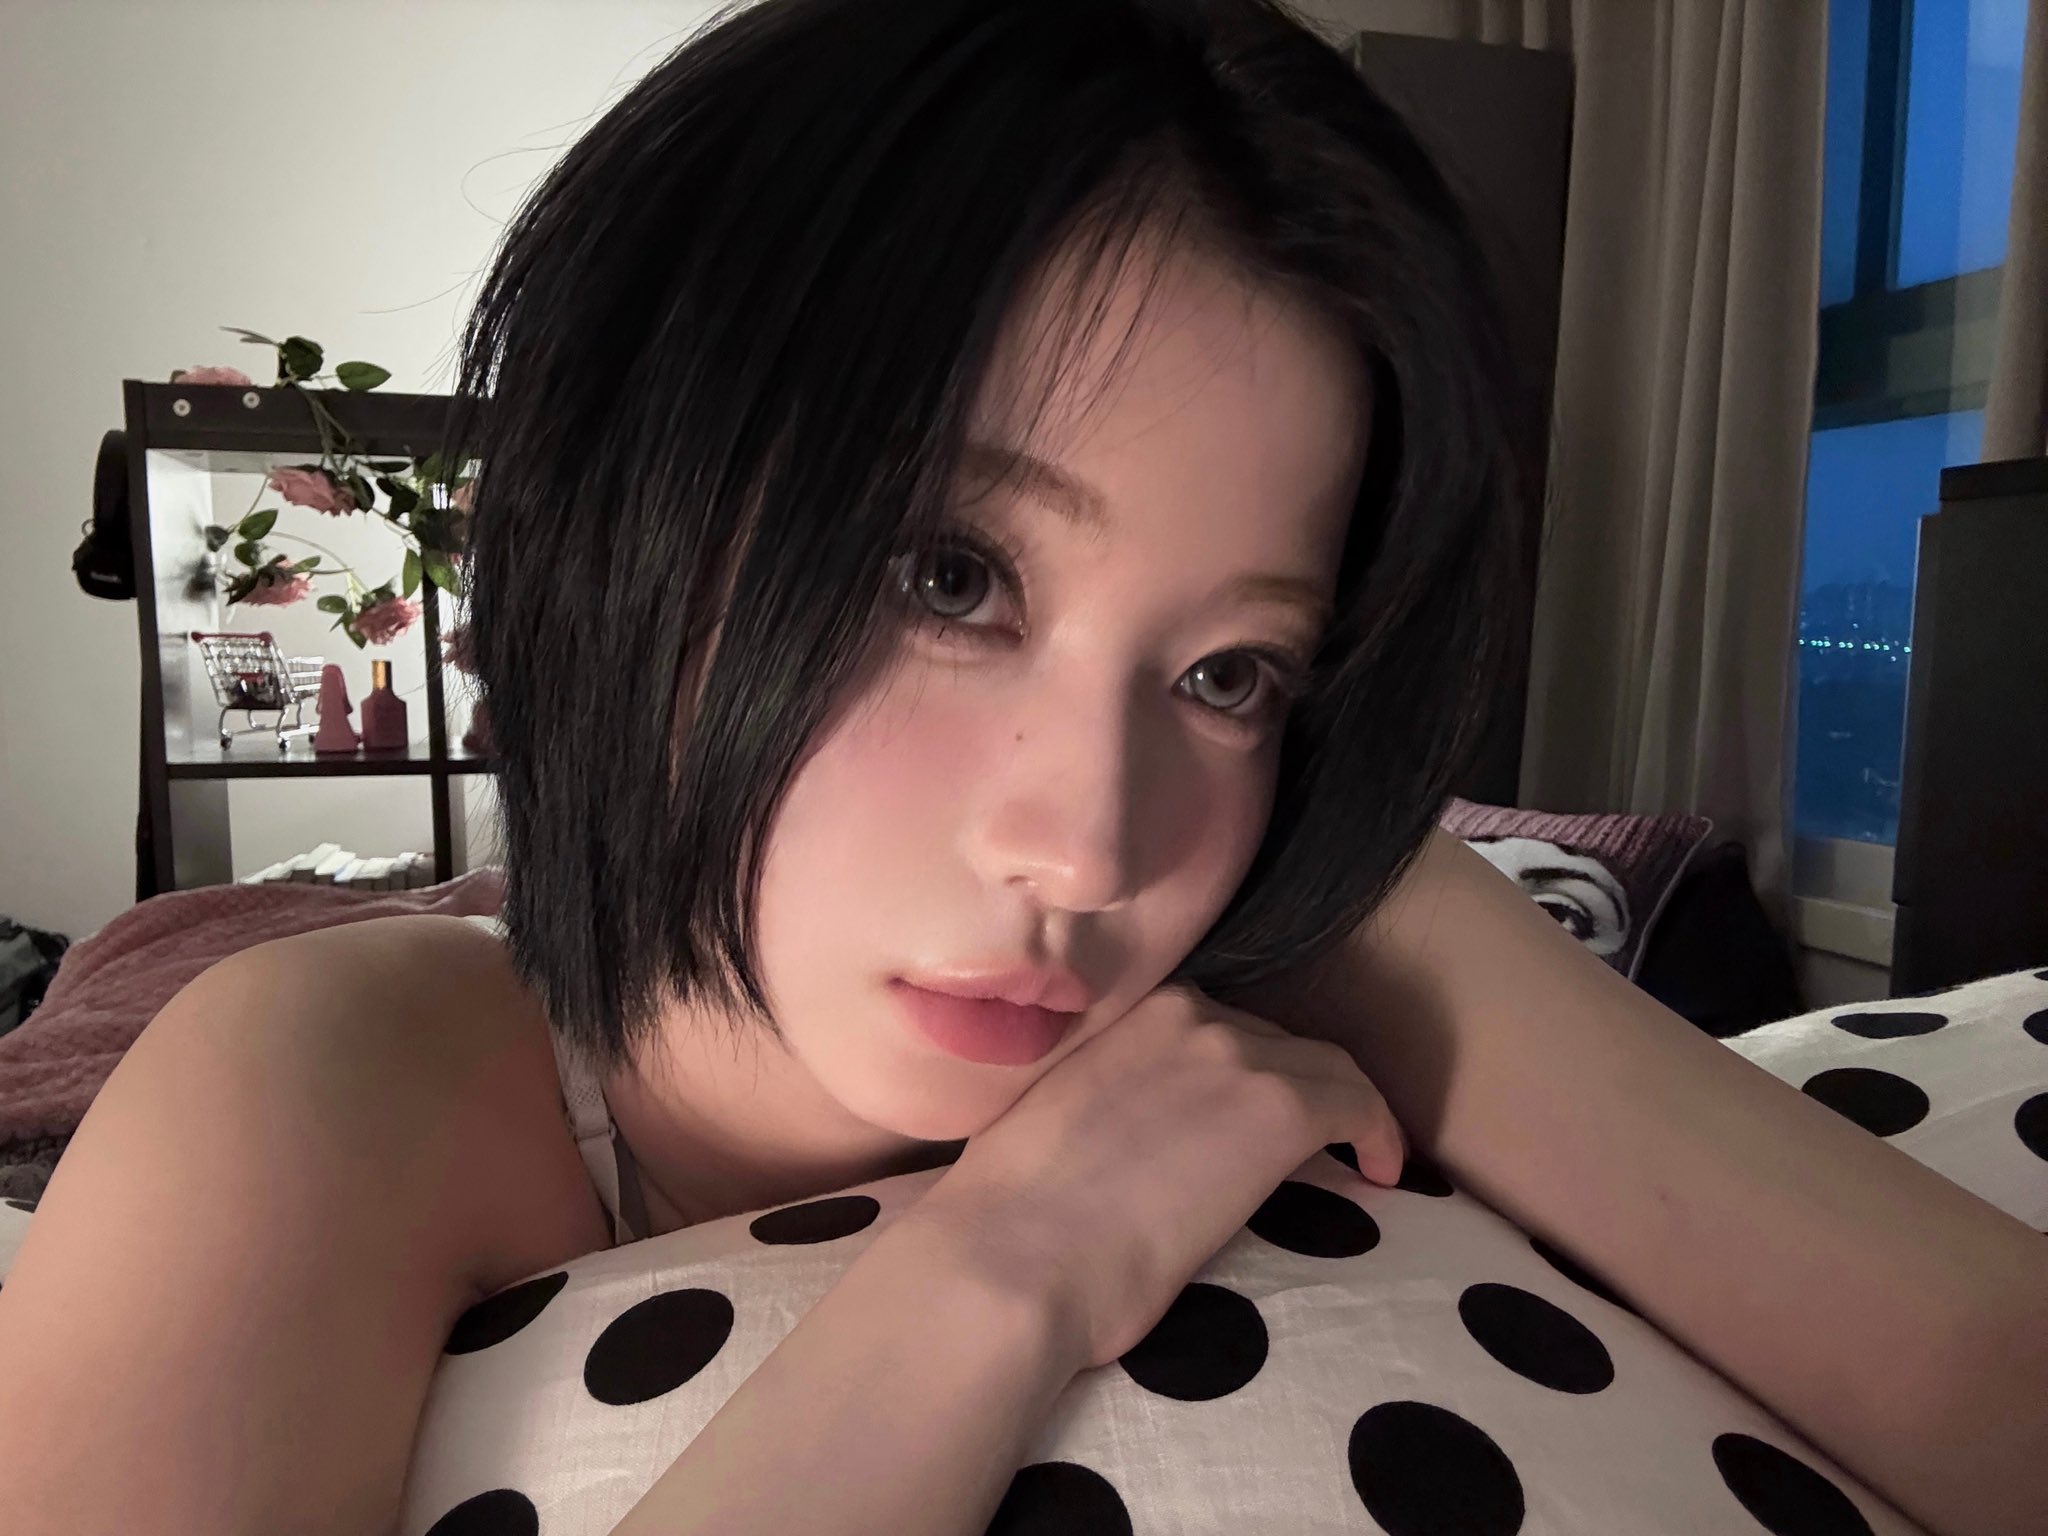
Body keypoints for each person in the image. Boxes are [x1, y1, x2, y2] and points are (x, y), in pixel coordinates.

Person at [2, 1, 2042, 1533]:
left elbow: (1988, 1387)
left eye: (1231, 672)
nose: (1087, 843)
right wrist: (1001, 1272)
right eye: (949, 576)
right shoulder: (325, 1073)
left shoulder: (1325, 913)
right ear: (633, 506)